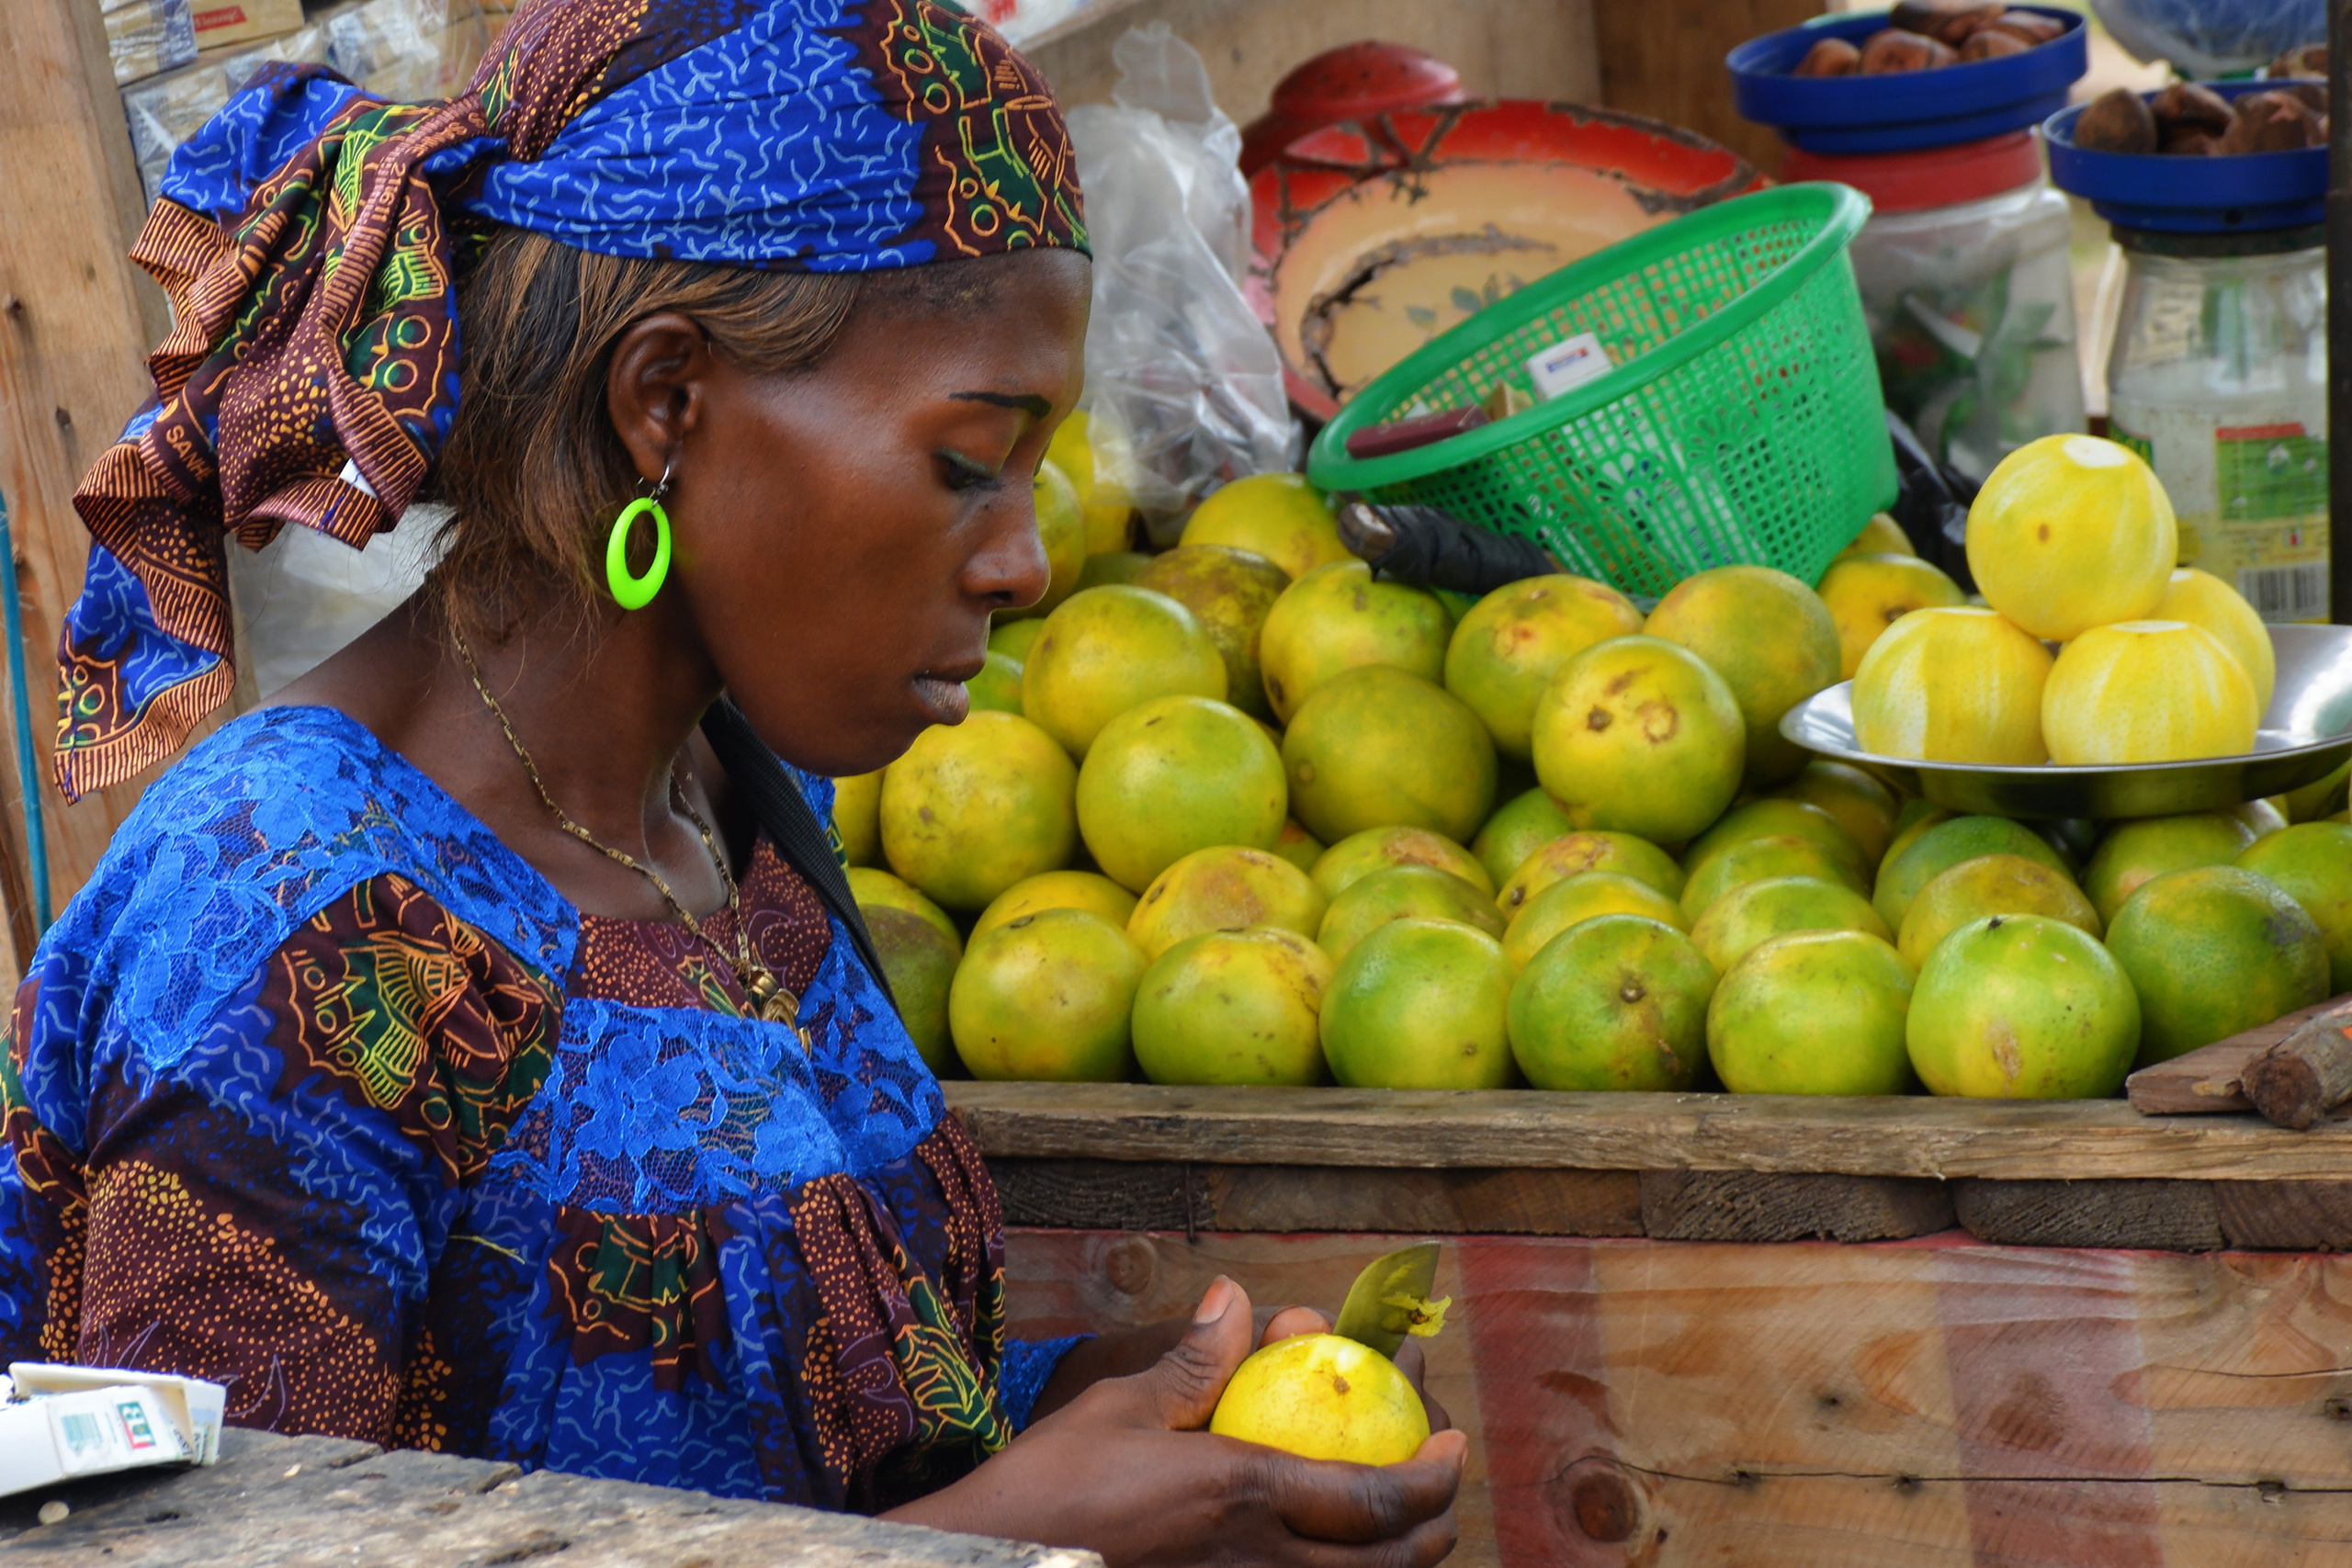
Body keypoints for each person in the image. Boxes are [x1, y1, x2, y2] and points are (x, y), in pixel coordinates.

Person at [0, 2, 1464, 1562]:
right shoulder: (286, 930)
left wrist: (1110, 1408)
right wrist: (1015, 1547)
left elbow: (772, 1455)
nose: (1028, 561)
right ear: (666, 400)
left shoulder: (738, 812)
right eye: (971, 461)